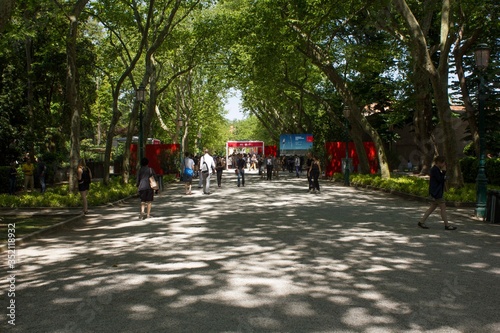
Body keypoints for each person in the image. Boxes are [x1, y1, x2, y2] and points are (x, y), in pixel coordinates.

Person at [418, 156, 457, 230]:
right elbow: (440, 179)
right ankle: (447, 225)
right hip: (437, 192)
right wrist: (444, 172)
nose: (443, 164)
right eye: (442, 163)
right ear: (438, 162)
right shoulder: (435, 170)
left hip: (436, 192)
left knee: (432, 208)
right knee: (443, 207)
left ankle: (421, 221)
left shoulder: (436, 169)